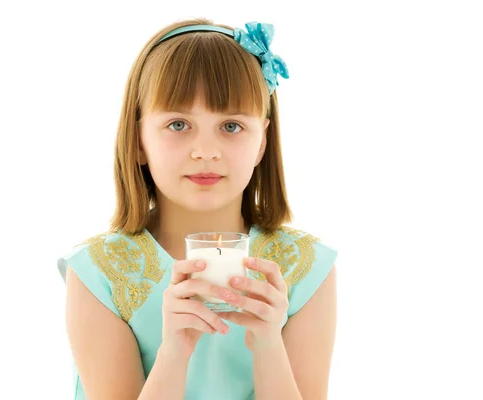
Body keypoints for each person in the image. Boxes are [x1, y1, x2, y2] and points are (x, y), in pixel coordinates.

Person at [57, 17, 338, 400]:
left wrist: (269, 345)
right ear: (138, 139)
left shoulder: (304, 268)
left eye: (231, 126)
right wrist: (175, 351)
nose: (205, 150)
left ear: (261, 143)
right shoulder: (98, 272)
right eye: (178, 125)